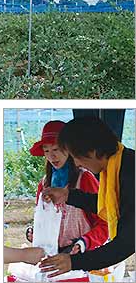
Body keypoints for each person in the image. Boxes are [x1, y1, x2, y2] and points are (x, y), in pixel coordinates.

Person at [39, 117, 135, 278]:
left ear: (93, 152)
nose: (76, 163)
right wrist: (67, 195)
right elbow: (109, 204)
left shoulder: (130, 174)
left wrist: (75, 262)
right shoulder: (119, 164)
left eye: (76, 156)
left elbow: (127, 243)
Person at [26, 121, 108, 255]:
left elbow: (105, 221)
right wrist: (34, 232)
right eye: (46, 151)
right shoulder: (44, 184)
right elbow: (42, 219)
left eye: (56, 149)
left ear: (68, 149)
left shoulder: (84, 179)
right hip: (53, 256)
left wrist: (85, 242)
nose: (51, 156)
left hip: (84, 255)